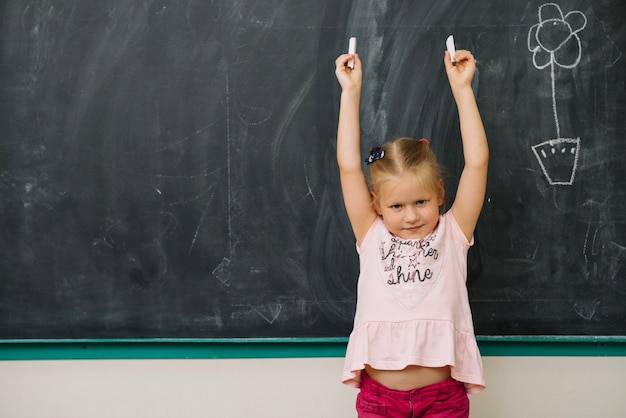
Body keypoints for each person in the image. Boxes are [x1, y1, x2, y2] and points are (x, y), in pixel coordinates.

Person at [334, 45, 489, 417]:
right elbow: (349, 167)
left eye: (421, 202)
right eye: (396, 206)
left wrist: (463, 90)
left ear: (439, 194)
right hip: (379, 401)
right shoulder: (370, 235)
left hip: (442, 400)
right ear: (376, 204)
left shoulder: (452, 234)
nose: (411, 216)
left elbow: (477, 162)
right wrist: (350, 92)